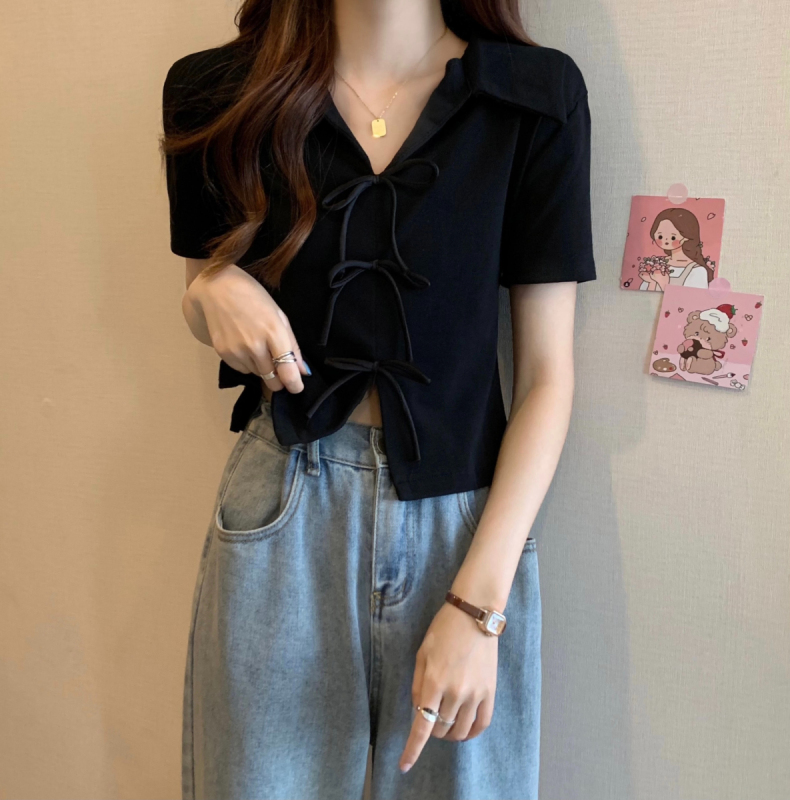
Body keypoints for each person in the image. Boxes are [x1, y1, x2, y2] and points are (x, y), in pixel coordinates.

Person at [160, 0, 596, 798]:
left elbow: (547, 379)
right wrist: (210, 287)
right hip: (281, 506)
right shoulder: (219, 91)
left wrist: (479, 609)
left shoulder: (533, 95)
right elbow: (200, 295)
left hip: (467, 524)